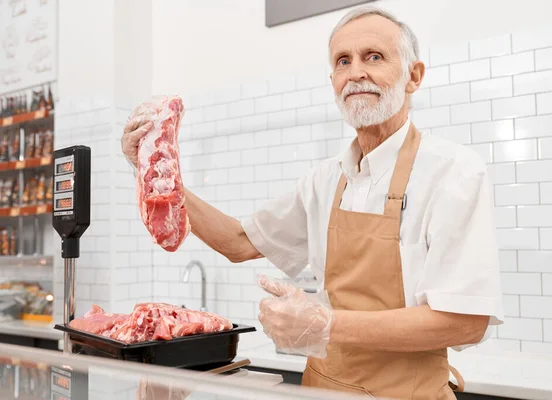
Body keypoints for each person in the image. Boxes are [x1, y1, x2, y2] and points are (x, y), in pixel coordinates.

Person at [122, 5, 503, 399]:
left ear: (413, 76)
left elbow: (466, 322)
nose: (356, 72)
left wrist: (327, 325)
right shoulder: (325, 180)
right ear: (333, 80)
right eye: (343, 61)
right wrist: (152, 171)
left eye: (374, 56)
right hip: (320, 391)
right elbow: (237, 241)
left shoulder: (453, 172)